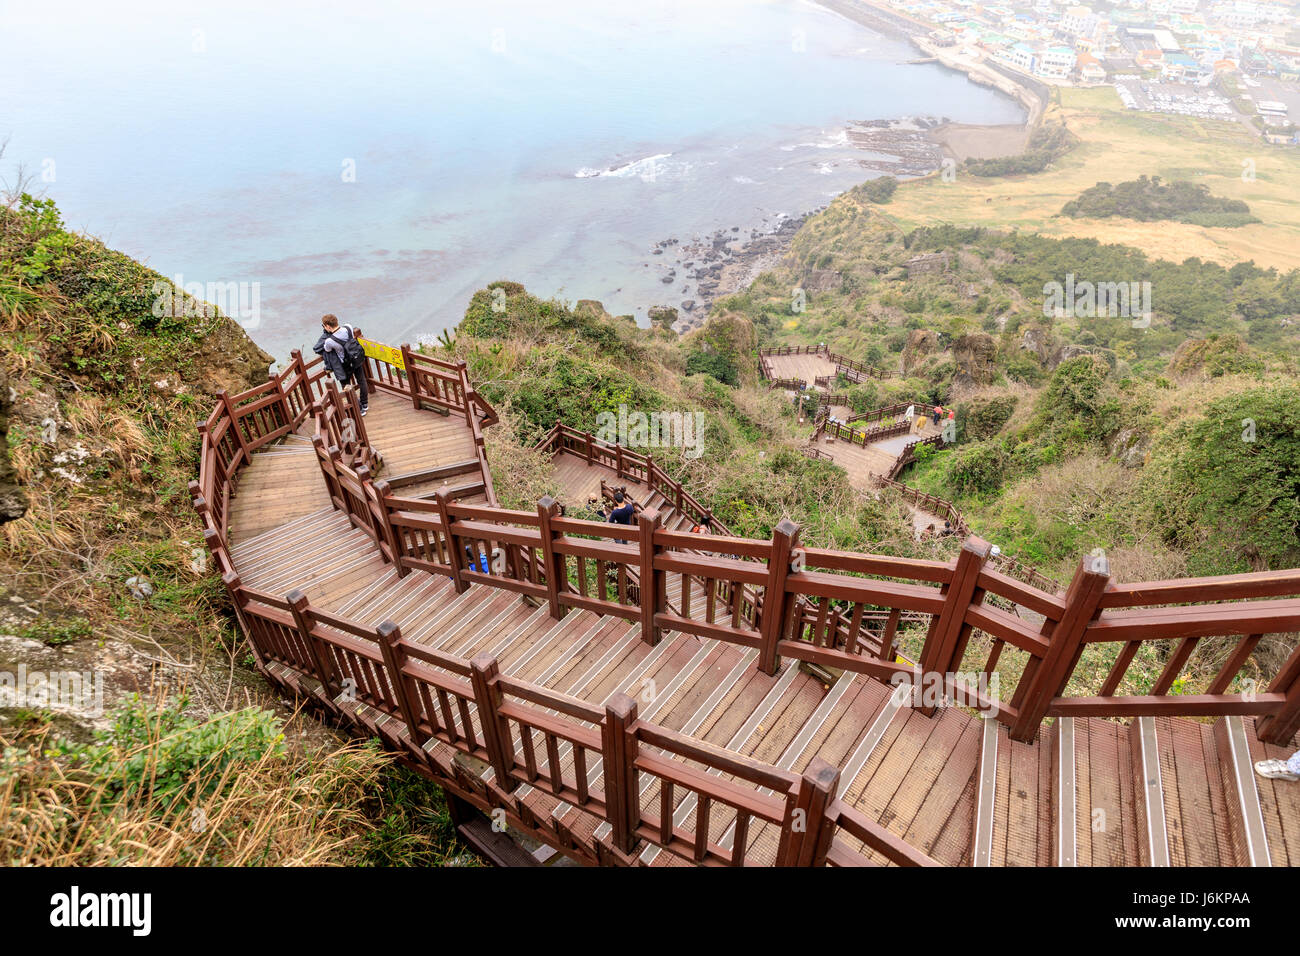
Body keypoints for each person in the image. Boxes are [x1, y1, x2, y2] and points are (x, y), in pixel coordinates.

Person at [313, 313, 369, 415]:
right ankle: (365, 404)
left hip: (345, 364)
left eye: (323, 326)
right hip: (356, 358)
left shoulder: (329, 341)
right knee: (361, 380)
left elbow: (326, 349)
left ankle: (360, 410)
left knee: (347, 386)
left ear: (328, 326)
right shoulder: (348, 327)